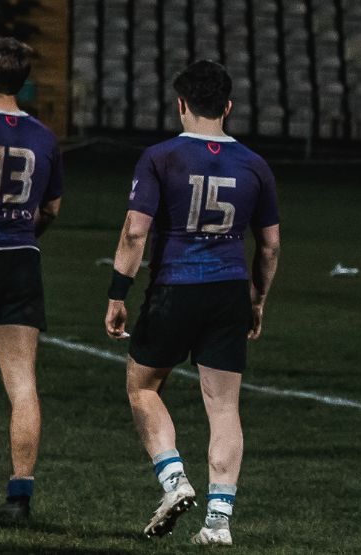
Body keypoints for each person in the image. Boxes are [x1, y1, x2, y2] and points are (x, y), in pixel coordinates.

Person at [105, 60, 281, 546]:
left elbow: (135, 232)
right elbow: (269, 245)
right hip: (228, 290)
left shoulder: (160, 157)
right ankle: (219, 521)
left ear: (181, 104)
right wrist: (258, 299)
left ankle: (173, 479)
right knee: (223, 406)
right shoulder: (255, 163)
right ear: (227, 107)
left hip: (175, 287)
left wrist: (118, 294)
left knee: (142, 387)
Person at [0, 37, 61, 522]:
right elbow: (50, 209)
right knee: (23, 384)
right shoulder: (46, 137)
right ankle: (18, 499)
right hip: (20, 259)